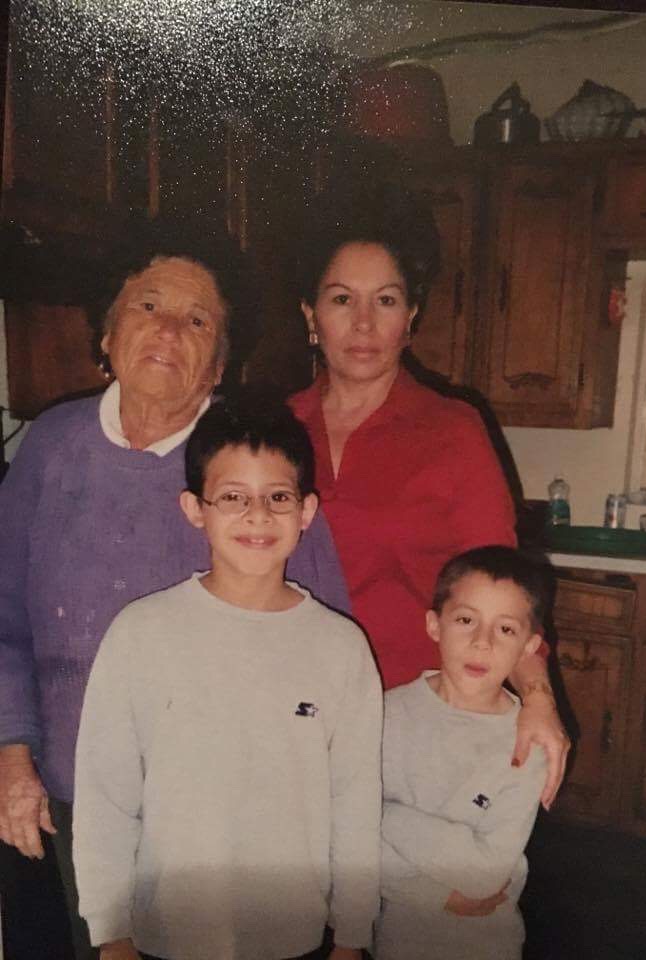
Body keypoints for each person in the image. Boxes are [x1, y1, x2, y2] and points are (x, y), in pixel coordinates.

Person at [0, 222, 348, 960]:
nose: (167, 330)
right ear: (107, 332)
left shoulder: (250, 467)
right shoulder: (51, 446)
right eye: (148, 305)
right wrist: (10, 749)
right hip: (69, 795)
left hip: (216, 812)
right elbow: (3, 617)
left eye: (197, 320)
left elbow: (323, 642)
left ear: (218, 364)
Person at [289, 181, 569, 808]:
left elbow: (504, 585)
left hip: (416, 719)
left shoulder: (452, 430)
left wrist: (538, 699)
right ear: (310, 315)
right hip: (295, 712)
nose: (364, 322)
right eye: (342, 298)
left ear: (410, 318)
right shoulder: (275, 429)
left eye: (386, 300)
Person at [73, 398, 382, 960]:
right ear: (195, 508)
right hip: (166, 933)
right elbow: (106, 796)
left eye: (278, 497)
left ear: (307, 511)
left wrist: (353, 936)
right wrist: (111, 932)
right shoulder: (142, 634)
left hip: (295, 937)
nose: (257, 516)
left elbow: (356, 801)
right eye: (233, 497)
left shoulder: (341, 648)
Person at [374, 545, 552, 960]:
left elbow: (486, 874)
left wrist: (383, 814)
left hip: (488, 941)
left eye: (505, 629)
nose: (481, 642)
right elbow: (351, 843)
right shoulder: (385, 714)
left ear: (529, 647)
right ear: (434, 625)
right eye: (466, 620)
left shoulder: (527, 744)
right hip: (396, 937)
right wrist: (432, 894)